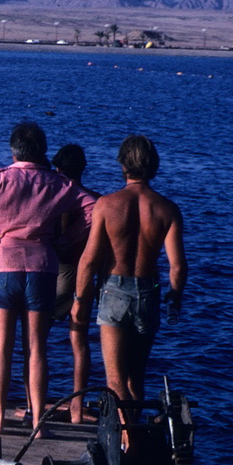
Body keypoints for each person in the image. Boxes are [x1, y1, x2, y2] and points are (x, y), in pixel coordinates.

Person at [0, 122, 92, 435]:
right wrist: (63, 242)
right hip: (42, 266)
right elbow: (93, 209)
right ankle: (37, 423)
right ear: (42, 150)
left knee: (1, 347)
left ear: (13, 149)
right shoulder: (58, 183)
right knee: (36, 348)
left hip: (3, 262)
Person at [72, 135, 187, 431]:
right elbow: (177, 266)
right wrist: (174, 297)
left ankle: (127, 442)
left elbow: (89, 260)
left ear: (122, 164)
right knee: (136, 376)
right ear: (153, 165)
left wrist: (80, 301)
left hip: (114, 290)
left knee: (115, 379)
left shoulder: (107, 205)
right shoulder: (167, 209)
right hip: (149, 292)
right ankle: (135, 434)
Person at [50, 143, 102, 423]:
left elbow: (56, 239)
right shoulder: (97, 201)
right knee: (79, 342)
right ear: (83, 169)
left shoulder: (58, 197)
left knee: (35, 342)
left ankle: (34, 405)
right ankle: (77, 408)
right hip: (84, 276)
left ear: (57, 169)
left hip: (57, 272)